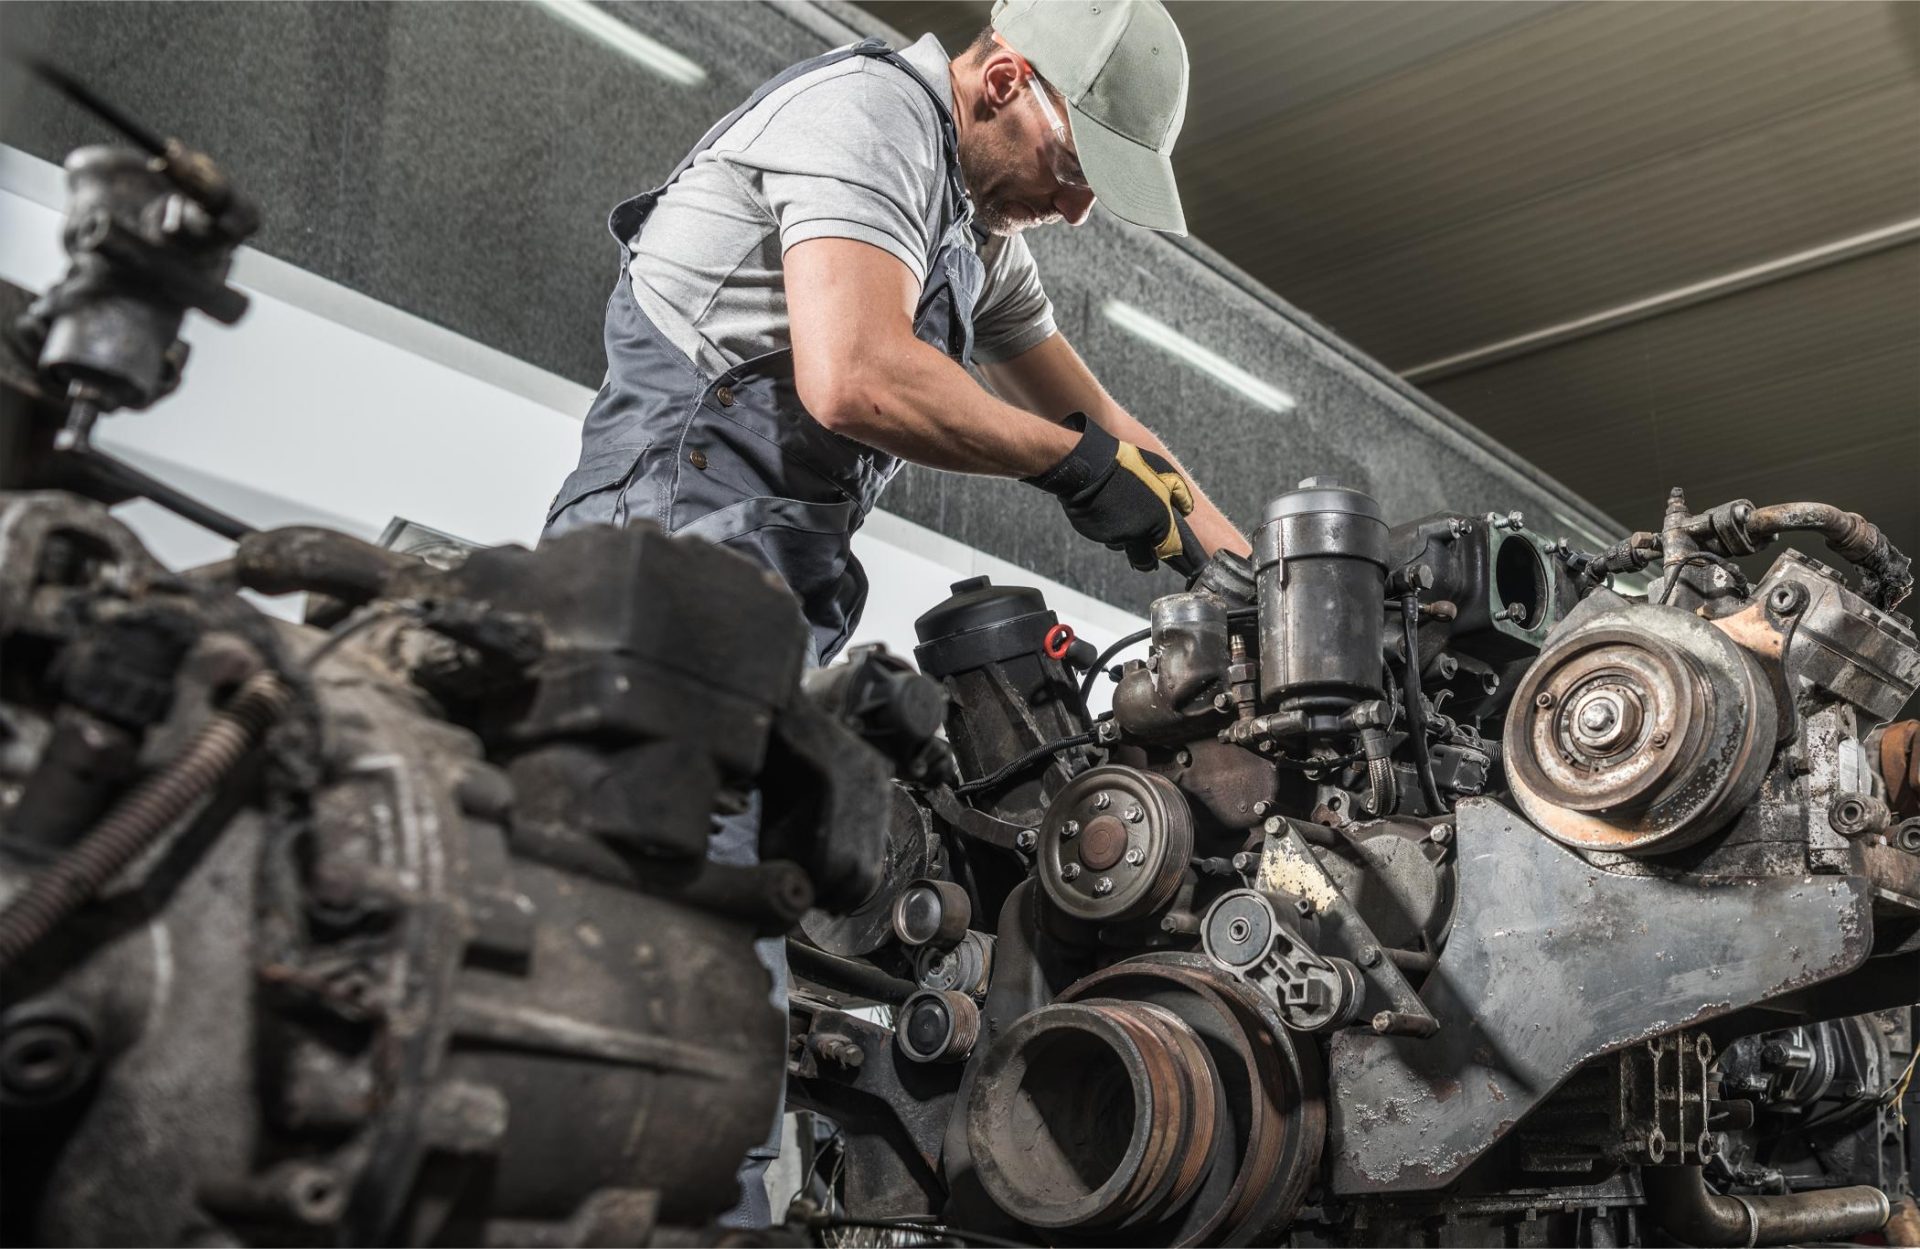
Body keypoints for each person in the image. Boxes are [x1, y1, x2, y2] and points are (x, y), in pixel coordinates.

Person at [542, 0, 1246, 1226]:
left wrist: (1253, 582)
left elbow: (1121, 436)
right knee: (689, 929)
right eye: (1077, 169)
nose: (1080, 209)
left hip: (771, 588)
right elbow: (855, 370)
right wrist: (1068, 471)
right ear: (1002, 80)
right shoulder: (866, 115)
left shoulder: (976, 236)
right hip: (669, 556)